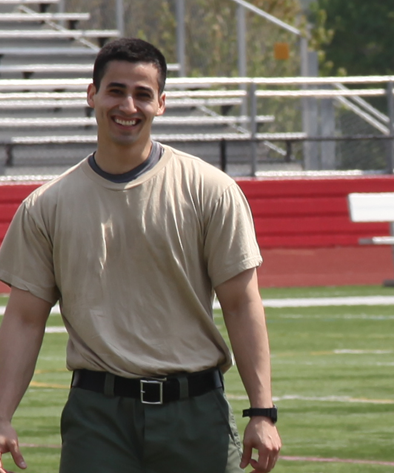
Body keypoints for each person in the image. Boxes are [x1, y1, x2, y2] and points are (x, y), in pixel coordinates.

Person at [0, 38, 281, 473]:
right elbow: (23, 318)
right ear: (92, 95)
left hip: (196, 415)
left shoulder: (209, 190)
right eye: (115, 90)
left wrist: (262, 413)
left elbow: (242, 304)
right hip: (98, 418)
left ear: (161, 104)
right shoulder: (46, 206)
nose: (127, 105)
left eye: (142, 94)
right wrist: (0, 415)